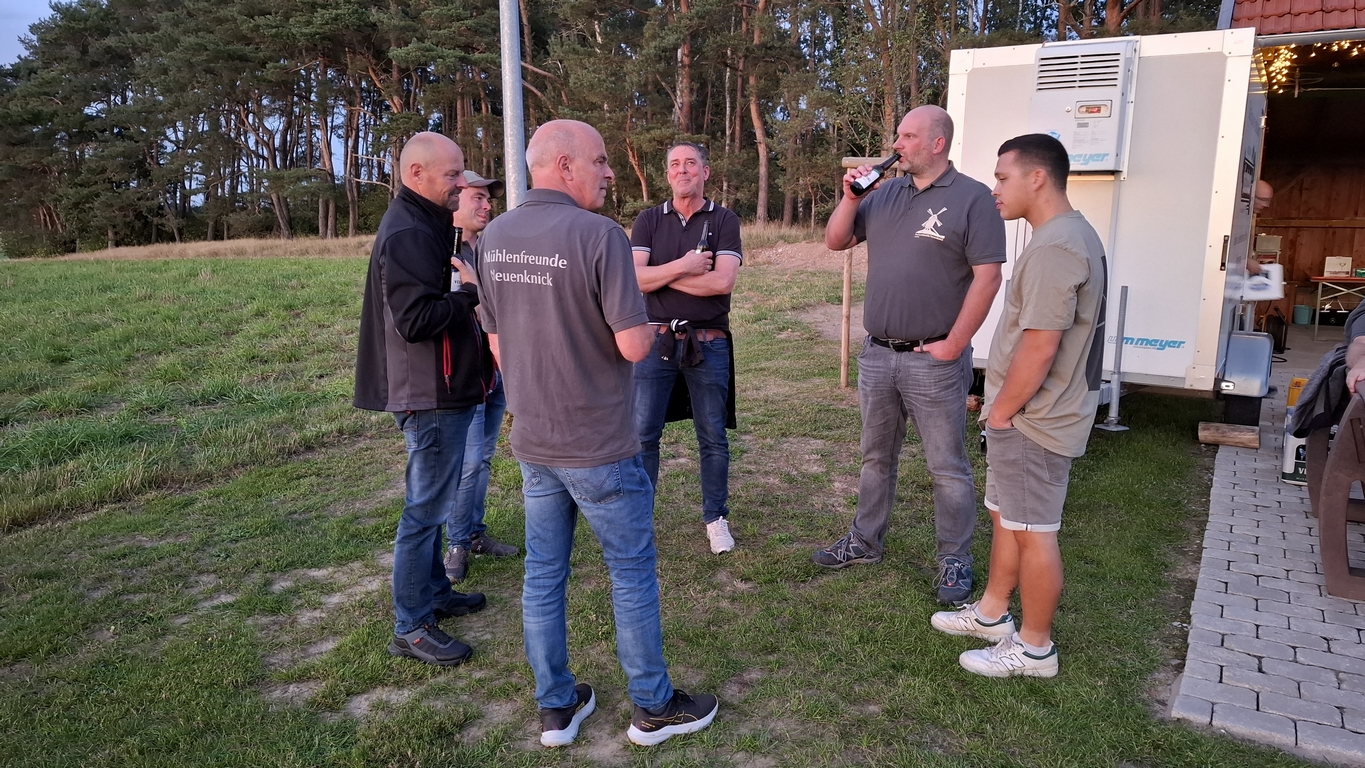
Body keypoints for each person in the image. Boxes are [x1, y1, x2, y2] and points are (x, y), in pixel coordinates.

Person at [476, 119, 718, 748]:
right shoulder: (599, 235)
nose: (610, 172)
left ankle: (556, 707)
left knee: (543, 574)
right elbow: (635, 345)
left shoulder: (494, 235)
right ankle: (653, 706)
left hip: (534, 439)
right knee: (630, 572)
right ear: (564, 165)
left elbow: (496, 340)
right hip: (598, 444)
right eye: (602, 160)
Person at [812, 105, 1006, 607]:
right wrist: (850, 198)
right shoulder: (885, 193)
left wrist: (956, 344)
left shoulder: (972, 198)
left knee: (947, 467)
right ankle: (865, 540)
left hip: (933, 360)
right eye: (898, 135)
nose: (896, 144)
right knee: (876, 457)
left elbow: (988, 277)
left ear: (937, 143)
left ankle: (954, 558)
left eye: (908, 136)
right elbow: (835, 241)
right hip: (878, 355)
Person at [930, 133, 1107, 679]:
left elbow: (1041, 345)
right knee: (1007, 518)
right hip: (1026, 414)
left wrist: (1003, 411)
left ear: (1037, 177)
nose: (995, 188)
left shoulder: (1057, 246)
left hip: (1036, 420)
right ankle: (991, 615)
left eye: (1003, 177)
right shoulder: (1062, 235)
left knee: (1033, 531)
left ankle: (1034, 649)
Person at [353, 132, 489, 667]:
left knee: (433, 504)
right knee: (425, 511)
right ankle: (410, 627)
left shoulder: (426, 222)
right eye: (452, 175)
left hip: (437, 387)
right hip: (427, 391)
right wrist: (469, 294)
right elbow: (414, 321)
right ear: (416, 174)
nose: (461, 183)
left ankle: (434, 592)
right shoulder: (410, 231)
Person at [631, 141, 744, 555]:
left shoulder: (724, 219)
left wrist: (660, 276)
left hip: (708, 345)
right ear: (667, 174)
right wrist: (686, 266)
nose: (683, 170)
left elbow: (722, 282)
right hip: (655, 343)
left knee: (712, 436)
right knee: (643, 435)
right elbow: (633, 279)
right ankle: (639, 521)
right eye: (675, 164)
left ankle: (715, 518)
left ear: (704, 172)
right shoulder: (648, 220)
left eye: (691, 163)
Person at [442, 170, 519, 583]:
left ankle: (473, 532)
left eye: (489, 199)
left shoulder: (488, 248)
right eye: (478, 197)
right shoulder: (444, 250)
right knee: (469, 462)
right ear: (456, 198)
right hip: (465, 371)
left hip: (496, 366)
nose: (487, 206)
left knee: (484, 456)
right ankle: (456, 543)